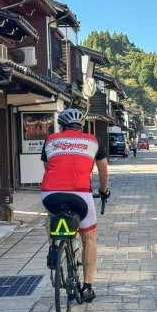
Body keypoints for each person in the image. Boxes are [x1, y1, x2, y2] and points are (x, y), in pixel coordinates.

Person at [41, 108, 110, 302]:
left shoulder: (51, 140)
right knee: (88, 237)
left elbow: (48, 168)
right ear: (81, 126)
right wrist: (103, 191)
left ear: (61, 127)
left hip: (50, 194)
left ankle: (53, 247)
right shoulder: (93, 141)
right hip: (80, 194)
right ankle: (87, 287)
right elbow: (103, 173)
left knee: (51, 215)